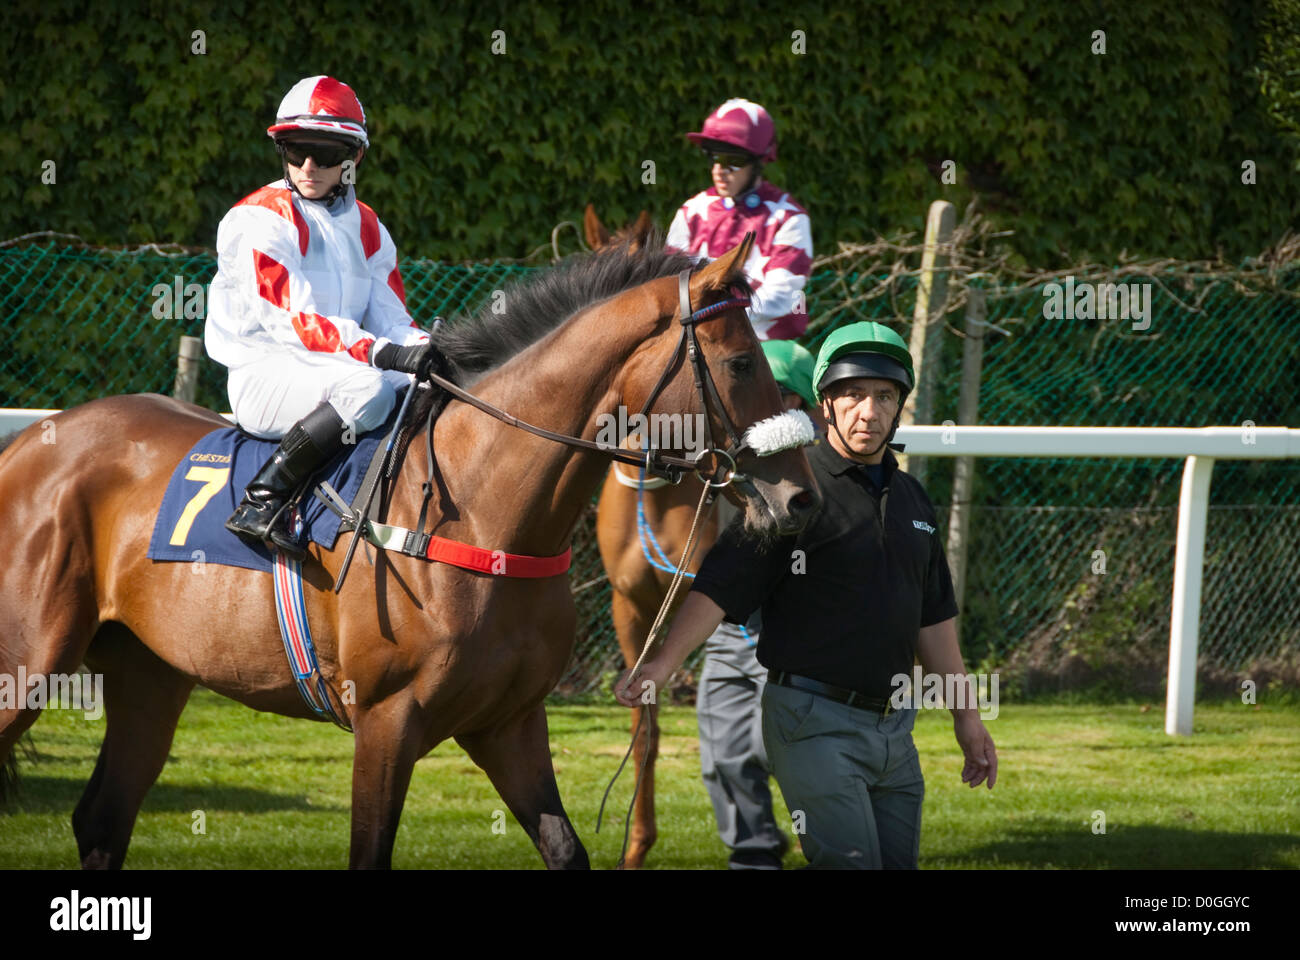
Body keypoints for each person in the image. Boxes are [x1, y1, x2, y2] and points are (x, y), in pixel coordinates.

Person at [618, 322, 998, 869]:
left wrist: (967, 718)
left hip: (896, 729)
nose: (869, 412)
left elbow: (934, 621)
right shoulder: (793, 489)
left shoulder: (913, 498)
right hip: (812, 720)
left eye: (884, 397)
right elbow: (720, 587)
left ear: (899, 407)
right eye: (853, 395)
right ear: (825, 404)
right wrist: (659, 667)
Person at [205, 76, 435, 559]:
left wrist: (428, 350)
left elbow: (392, 319)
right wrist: (380, 352)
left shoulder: (369, 225)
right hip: (266, 373)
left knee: (423, 387)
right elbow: (293, 320)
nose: (309, 166)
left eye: (325, 154)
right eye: (295, 150)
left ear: (353, 159)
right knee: (368, 388)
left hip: (335, 366)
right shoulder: (258, 218)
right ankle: (261, 499)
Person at [695, 339, 822, 870]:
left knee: (765, 748)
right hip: (730, 632)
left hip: (798, 638)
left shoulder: (818, 471)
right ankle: (752, 856)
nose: (772, 407)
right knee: (722, 754)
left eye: (786, 396)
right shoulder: (733, 452)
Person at [666, 98, 813, 341]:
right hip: (698, 339)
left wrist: (712, 312)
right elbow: (670, 282)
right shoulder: (691, 211)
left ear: (758, 163)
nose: (719, 169)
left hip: (764, 346)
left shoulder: (789, 217)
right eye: (713, 157)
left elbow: (780, 297)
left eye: (733, 161)